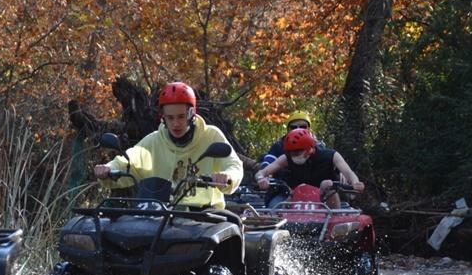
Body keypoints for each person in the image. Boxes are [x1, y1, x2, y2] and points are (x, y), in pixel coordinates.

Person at [93, 82, 243, 210]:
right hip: (161, 215)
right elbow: (126, 162)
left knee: (226, 229)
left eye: (181, 117)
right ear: (162, 117)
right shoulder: (154, 141)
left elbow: (234, 165)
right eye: (170, 118)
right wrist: (108, 169)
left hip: (206, 215)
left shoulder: (211, 136)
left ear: (191, 113)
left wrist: (227, 177)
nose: (176, 123)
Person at [254, 128, 364, 208]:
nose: (294, 155)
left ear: (309, 149)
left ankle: (334, 223)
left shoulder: (330, 156)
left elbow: (348, 173)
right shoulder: (287, 158)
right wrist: (261, 179)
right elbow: (262, 172)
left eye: (298, 152)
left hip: (325, 199)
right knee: (279, 204)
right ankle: (285, 228)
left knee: (327, 184)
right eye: (291, 152)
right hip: (296, 199)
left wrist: (355, 182)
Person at [259, 110, 326, 169]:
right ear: (288, 130)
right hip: (285, 182)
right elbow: (268, 164)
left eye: (303, 127)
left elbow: (327, 163)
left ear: (309, 129)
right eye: (293, 127)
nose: (298, 129)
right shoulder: (279, 146)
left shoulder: (317, 146)